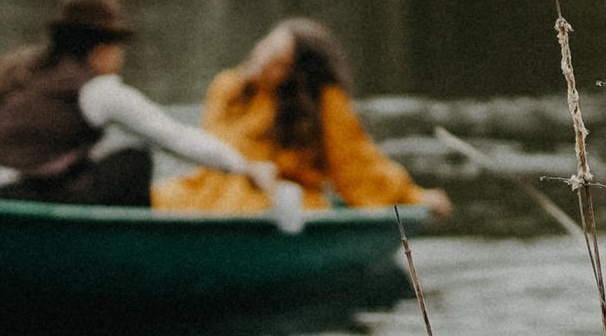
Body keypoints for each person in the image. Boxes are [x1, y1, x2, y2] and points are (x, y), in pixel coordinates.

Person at [0, 0, 279, 207]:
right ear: (101, 51)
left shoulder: (22, 71)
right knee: (136, 160)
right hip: (7, 198)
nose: (120, 58)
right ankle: (134, 255)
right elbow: (173, 137)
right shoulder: (97, 89)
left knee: (89, 165)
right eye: (118, 48)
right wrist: (244, 167)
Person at [152, 18, 451, 216]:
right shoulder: (227, 86)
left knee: (252, 203)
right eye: (266, 45)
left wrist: (413, 197)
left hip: (279, 199)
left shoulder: (324, 103)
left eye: (277, 61)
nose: (261, 61)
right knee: (155, 196)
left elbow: (358, 165)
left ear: (295, 76)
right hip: (207, 193)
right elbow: (208, 154)